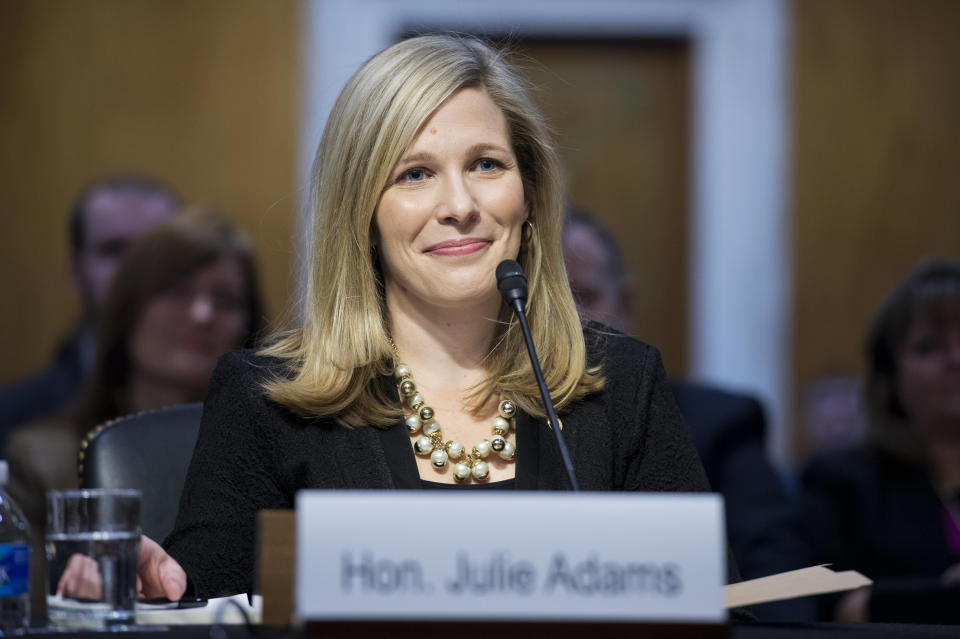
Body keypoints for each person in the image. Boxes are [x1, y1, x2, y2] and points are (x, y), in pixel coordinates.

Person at [130, 34, 726, 602]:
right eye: (415, 174)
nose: (461, 206)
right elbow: (204, 607)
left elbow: (717, 607)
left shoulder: (622, 383)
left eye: (487, 165)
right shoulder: (264, 401)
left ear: (530, 196)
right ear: (360, 212)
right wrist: (149, 586)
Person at [4, 209, 264, 616]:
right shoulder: (40, 460)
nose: (201, 314)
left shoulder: (275, 459)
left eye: (225, 300)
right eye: (176, 291)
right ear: (128, 308)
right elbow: (24, 610)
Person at [562, 207, 814, 620]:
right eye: (548, 299)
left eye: (584, 296)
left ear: (625, 303)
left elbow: (779, 580)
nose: (568, 320)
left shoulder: (719, 425)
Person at [800, 259, 960, 623]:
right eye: (930, 346)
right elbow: (830, 609)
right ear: (891, 377)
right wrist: (943, 598)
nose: (957, 359)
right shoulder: (842, 482)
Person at [0, 174, 181, 449]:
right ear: (77, 272)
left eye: (152, 252)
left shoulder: (232, 404)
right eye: (113, 250)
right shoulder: (13, 417)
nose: (134, 270)